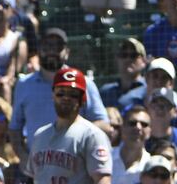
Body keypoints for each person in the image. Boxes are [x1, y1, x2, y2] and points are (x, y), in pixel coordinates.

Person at [15, 67, 112, 184]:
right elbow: (31, 182)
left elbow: (102, 180)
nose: (66, 98)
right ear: (53, 95)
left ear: (82, 98)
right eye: (61, 92)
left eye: (73, 94)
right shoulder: (40, 135)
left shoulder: (91, 134)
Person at [10, 28, 110, 165]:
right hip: (37, 168)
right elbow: (15, 129)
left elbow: (103, 124)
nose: (52, 51)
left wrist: (71, 135)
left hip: (75, 167)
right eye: (47, 46)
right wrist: (24, 158)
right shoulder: (24, 84)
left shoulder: (84, 83)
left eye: (58, 47)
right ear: (38, 50)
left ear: (67, 52)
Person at [110, 106, 152, 184]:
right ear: (122, 128)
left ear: (150, 132)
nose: (138, 127)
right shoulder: (105, 158)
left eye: (144, 124)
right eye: (132, 123)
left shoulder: (150, 167)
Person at [100, 38, 148, 109]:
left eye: (133, 55)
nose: (128, 59)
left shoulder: (149, 90)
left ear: (144, 61)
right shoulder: (105, 92)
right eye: (123, 55)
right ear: (117, 60)